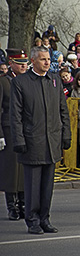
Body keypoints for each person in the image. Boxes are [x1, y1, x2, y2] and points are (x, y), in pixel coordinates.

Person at [9, 46, 71, 234]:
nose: (47, 62)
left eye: (48, 59)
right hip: (32, 142)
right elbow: (16, 115)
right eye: (43, 59)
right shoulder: (21, 82)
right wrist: (18, 140)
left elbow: (63, 111)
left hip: (51, 141)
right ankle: (32, 220)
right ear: (33, 61)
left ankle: (45, 218)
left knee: (47, 186)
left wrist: (66, 135)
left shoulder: (54, 80)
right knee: (33, 186)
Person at [0, 49, 28, 220]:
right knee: (11, 170)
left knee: (25, 169)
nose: (23, 66)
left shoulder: (28, 81)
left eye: (25, 62)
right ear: (11, 63)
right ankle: (12, 206)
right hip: (9, 130)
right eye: (19, 63)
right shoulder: (3, 82)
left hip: (26, 130)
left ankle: (24, 204)